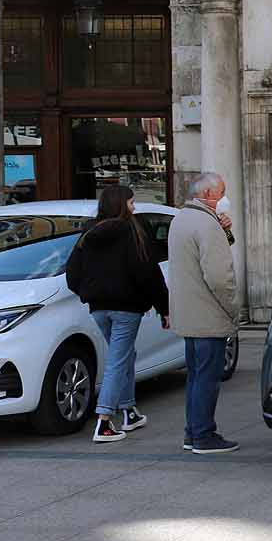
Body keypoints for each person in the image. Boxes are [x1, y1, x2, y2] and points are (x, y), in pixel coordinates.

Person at [66, 185, 170, 444]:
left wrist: (87, 293)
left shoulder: (88, 233)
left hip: (99, 308)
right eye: (132, 203)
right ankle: (104, 421)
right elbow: (148, 273)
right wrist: (164, 307)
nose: (134, 208)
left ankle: (129, 411)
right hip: (127, 308)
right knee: (118, 360)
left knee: (124, 356)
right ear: (122, 205)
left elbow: (72, 273)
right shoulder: (132, 231)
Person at [168, 172, 240, 454]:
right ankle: (203, 435)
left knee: (196, 376)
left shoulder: (183, 219)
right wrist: (233, 308)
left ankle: (192, 432)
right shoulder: (207, 225)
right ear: (209, 195)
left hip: (189, 313)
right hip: (208, 314)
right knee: (207, 379)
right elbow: (219, 277)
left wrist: (225, 230)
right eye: (222, 191)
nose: (225, 198)